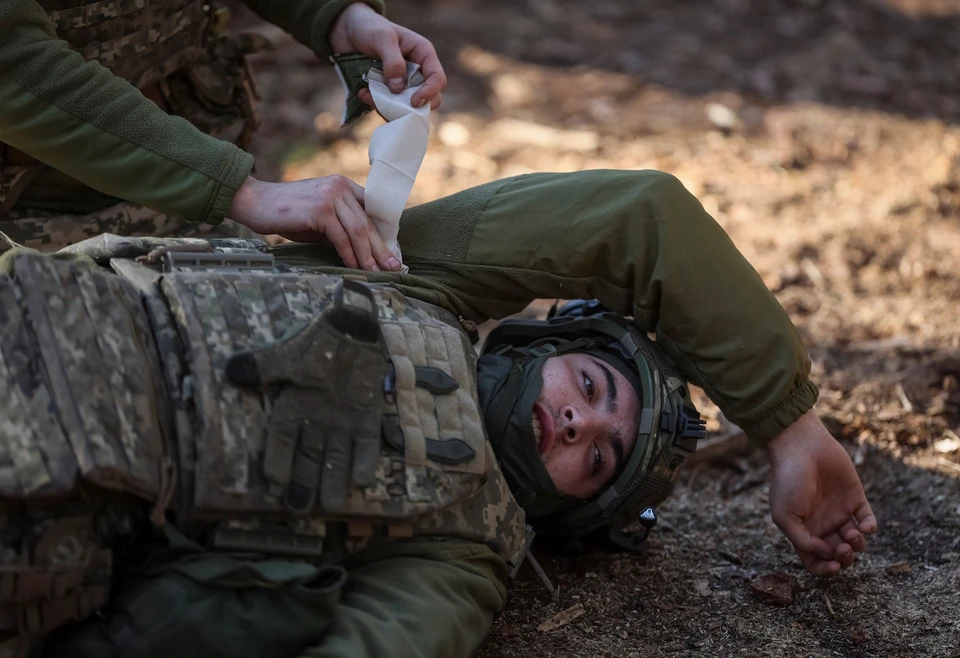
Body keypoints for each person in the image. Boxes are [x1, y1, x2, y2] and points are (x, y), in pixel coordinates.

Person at [0, 169, 876, 658]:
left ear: (566, 511)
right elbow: (638, 219)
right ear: (539, 347)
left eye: (597, 460)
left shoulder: (465, 556)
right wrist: (791, 427)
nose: (576, 425)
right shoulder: (418, 276)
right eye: (591, 388)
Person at [0, 0, 444, 269]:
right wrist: (241, 192)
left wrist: (336, 15)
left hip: (182, 183)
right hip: (26, 218)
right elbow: (12, 64)